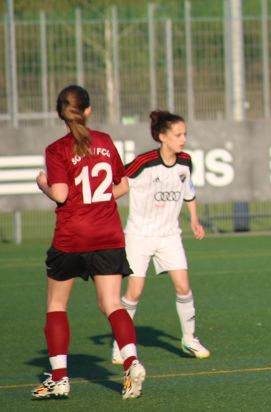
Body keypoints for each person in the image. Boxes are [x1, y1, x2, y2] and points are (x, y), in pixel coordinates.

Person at [32, 85, 146, 399]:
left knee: (57, 305)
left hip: (72, 236)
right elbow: (122, 186)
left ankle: (59, 379)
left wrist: (42, 184)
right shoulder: (105, 141)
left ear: (60, 114)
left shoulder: (57, 149)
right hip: (108, 233)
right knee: (112, 304)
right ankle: (131, 362)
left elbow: (60, 194)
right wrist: (100, 200)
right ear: (88, 110)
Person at [111, 110, 210, 362]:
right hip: (139, 236)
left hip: (169, 236)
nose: (183, 139)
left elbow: (189, 191)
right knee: (134, 292)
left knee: (183, 287)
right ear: (163, 136)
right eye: (178, 135)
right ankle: (121, 344)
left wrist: (194, 220)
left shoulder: (185, 162)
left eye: (185, 134)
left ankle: (189, 339)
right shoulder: (143, 163)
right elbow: (118, 185)